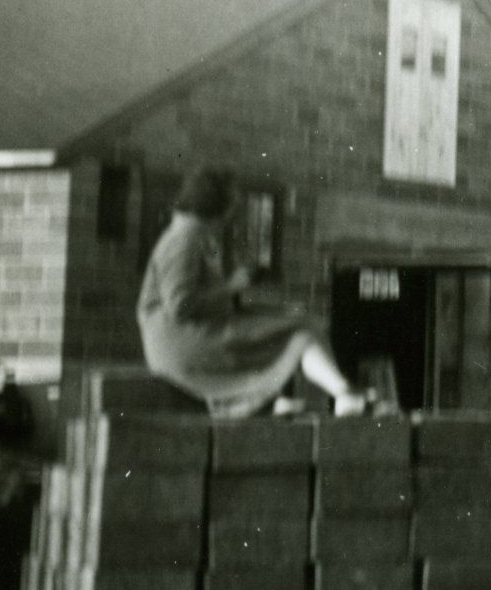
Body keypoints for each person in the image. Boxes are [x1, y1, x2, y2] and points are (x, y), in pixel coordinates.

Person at [136, 167, 366, 419]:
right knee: (302, 332)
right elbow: (179, 306)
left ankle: (272, 402)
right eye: (230, 210)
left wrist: (277, 310)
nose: (230, 219)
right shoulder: (182, 240)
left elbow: (202, 300)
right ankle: (345, 394)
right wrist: (232, 285)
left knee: (296, 322)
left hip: (188, 338)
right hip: (184, 344)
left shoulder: (191, 237)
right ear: (214, 209)